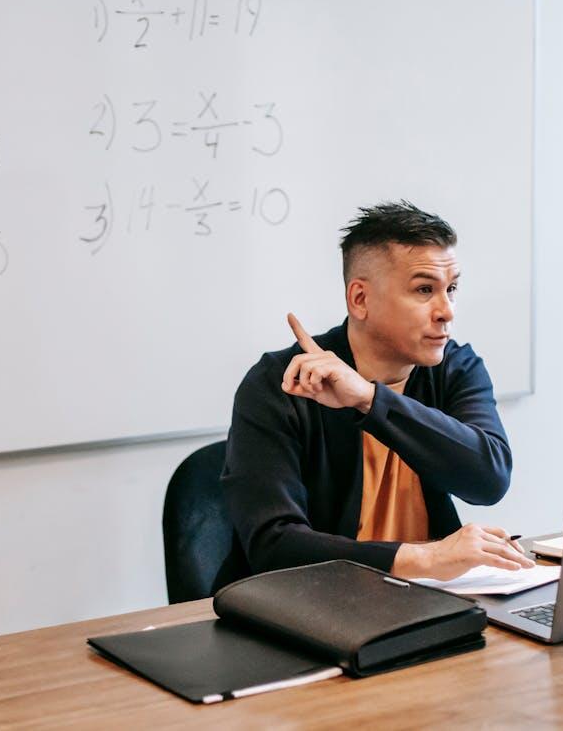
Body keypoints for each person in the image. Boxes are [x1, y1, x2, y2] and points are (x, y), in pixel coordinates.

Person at [222, 201, 532, 581]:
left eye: (451, 288)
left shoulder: (455, 367)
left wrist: (369, 399)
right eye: (424, 289)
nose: (447, 310)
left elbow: (489, 479)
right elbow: (274, 546)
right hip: (311, 607)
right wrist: (425, 559)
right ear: (360, 299)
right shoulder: (281, 382)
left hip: (427, 598)